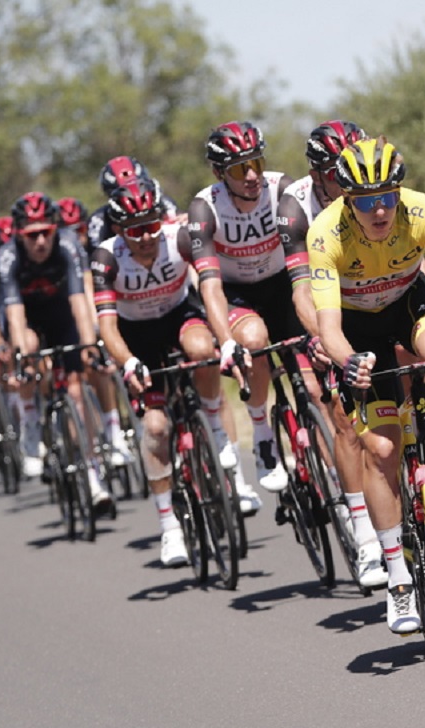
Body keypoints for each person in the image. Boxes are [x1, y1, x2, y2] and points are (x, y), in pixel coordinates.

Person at [308, 137, 425, 633]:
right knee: (380, 450)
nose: (379, 210)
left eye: (386, 196)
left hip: (408, 304)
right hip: (359, 328)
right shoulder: (325, 234)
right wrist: (347, 359)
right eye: (365, 200)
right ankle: (398, 577)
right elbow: (330, 329)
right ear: (346, 199)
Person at [91, 178, 241, 566]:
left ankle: (216, 428)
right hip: (135, 335)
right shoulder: (106, 258)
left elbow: (209, 289)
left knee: (201, 350)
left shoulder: (178, 238)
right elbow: (106, 328)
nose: (146, 236)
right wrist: (127, 362)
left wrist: (225, 339)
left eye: (152, 224)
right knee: (156, 428)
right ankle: (169, 527)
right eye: (135, 230)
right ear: (120, 230)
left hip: (178, 315)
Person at [276, 120, 387, 588]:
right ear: (316, 174)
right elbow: (302, 292)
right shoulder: (294, 207)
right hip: (323, 304)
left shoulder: (371, 182)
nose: (346, 182)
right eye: (334, 174)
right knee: (341, 412)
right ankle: (363, 531)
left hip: (373, 289)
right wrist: (322, 337)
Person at [188, 120, 299, 500]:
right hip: (237, 292)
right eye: (239, 168)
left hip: (282, 283)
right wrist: (225, 342)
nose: (252, 175)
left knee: (314, 387)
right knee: (253, 340)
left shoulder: (283, 188)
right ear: (220, 173)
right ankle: (263, 435)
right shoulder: (205, 207)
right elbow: (210, 285)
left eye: (257, 162)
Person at [0, 191, 112, 510]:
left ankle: (92, 474)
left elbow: (79, 302)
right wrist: (23, 358)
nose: (41, 242)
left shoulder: (69, 245)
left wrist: (90, 345)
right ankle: (31, 422)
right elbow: (15, 317)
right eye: (32, 236)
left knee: (75, 391)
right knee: (29, 351)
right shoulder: (7, 257)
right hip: (28, 319)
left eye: (46, 232)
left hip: (62, 314)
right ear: (20, 234)